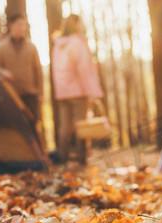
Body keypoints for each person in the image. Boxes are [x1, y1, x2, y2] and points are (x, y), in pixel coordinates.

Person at [51, 14, 104, 165]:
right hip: (78, 91)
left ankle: (63, 159)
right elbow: (84, 69)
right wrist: (92, 92)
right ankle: (82, 159)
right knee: (82, 126)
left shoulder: (58, 45)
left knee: (65, 127)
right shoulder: (77, 42)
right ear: (76, 25)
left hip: (63, 91)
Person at [0, 14, 44, 128]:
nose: (22, 28)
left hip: (30, 94)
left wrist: (40, 93)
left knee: (32, 124)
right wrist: (3, 72)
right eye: (19, 25)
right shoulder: (3, 47)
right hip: (11, 94)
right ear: (11, 26)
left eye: (23, 25)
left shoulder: (31, 47)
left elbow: (38, 71)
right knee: (16, 126)